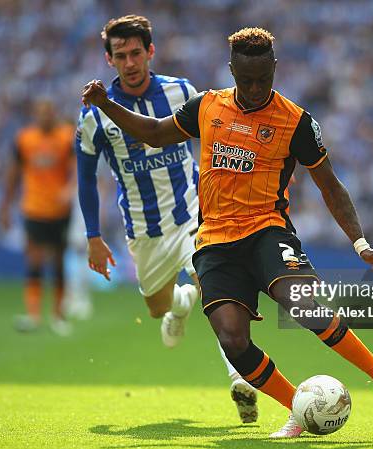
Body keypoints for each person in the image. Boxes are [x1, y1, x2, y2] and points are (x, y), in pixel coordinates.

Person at [81, 26, 373, 438]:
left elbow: (330, 186)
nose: (253, 89)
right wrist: (105, 103)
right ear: (231, 70)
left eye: (262, 80)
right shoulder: (208, 106)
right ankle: (297, 410)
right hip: (213, 241)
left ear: (274, 69)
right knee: (232, 340)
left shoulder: (296, 121)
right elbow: (156, 133)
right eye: (245, 80)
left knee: (306, 306)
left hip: (267, 231)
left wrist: (360, 244)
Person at [75, 15, 258, 424]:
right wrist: (92, 236)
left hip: (196, 213)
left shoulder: (182, 91)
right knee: (157, 308)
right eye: (120, 55)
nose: (129, 62)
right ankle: (179, 306)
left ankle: (239, 378)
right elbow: (86, 177)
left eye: (136, 52)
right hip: (144, 229)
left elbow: (217, 143)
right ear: (109, 60)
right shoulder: (94, 117)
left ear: (150, 52)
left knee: (217, 291)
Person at [0, 99, 75, 336]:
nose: (44, 117)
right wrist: (5, 204)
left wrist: (70, 189)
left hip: (59, 210)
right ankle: (33, 314)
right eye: (40, 113)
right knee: (34, 260)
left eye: (48, 112)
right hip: (33, 208)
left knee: (58, 261)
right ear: (35, 115)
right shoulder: (25, 139)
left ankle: (58, 315)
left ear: (54, 114)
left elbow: (77, 169)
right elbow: (14, 172)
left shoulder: (66, 137)